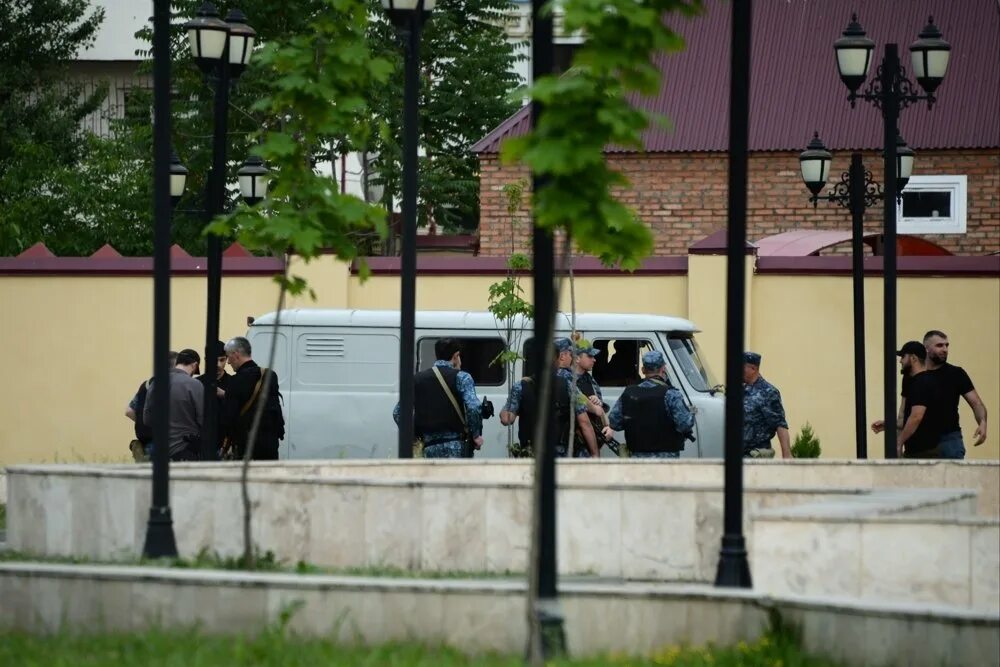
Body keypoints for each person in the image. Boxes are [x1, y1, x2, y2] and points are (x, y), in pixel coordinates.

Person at [501, 338, 598, 458]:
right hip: (559, 452)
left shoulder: (520, 386)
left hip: (530, 452)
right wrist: (595, 454)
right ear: (558, 360)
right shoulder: (568, 385)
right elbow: (585, 423)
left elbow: (506, 419)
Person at [393, 337, 484, 458]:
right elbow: (474, 407)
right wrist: (476, 435)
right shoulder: (462, 377)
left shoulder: (417, 380)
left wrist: (414, 437)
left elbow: (398, 413)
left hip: (429, 448)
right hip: (457, 446)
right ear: (456, 356)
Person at [909, 330, 988, 459]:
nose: (945, 349)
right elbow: (910, 412)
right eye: (939, 345)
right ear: (926, 349)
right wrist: (891, 425)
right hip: (920, 443)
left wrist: (983, 422)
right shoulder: (914, 376)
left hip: (949, 439)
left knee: (954, 478)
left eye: (947, 345)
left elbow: (976, 403)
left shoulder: (956, 374)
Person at [602, 350, 694, 459]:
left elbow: (615, 423)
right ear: (663, 368)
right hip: (666, 459)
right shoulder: (671, 394)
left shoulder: (628, 393)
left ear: (643, 370)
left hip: (637, 458)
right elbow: (685, 424)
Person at [873, 341, 943, 458]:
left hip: (925, 454)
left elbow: (916, 417)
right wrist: (889, 424)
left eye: (903, 357)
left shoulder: (922, 382)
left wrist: (899, 442)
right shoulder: (917, 382)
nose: (900, 361)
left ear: (913, 358)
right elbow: (910, 418)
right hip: (918, 452)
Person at [221, 337, 284, 460]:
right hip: (270, 442)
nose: (228, 362)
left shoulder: (236, 381)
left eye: (228, 357)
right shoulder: (270, 375)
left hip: (247, 444)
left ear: (236, 354)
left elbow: (230, 416)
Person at [142, 349, 204, 461]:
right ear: (195, 365)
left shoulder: (155, 384)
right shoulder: (195, 385)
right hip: (185, 451)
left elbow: (147, 419)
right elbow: (203, 420)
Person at [125, 350, 178, 462]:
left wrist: (145, 422)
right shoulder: (174, 386)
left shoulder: (146, 384)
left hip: (144, 442)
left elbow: (129, 411)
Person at [742, 351, 791, 459]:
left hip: (755, 456)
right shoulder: (742, 390)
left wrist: (787, 455)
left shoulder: (768, 392)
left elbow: (780, 424)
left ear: (753, 369)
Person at [198, 340, 233, 454]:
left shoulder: (234, 383)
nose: (218, 365)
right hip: (201, 443)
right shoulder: (197, 383)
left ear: (227, 359)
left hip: (227, 444)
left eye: (222, 360)